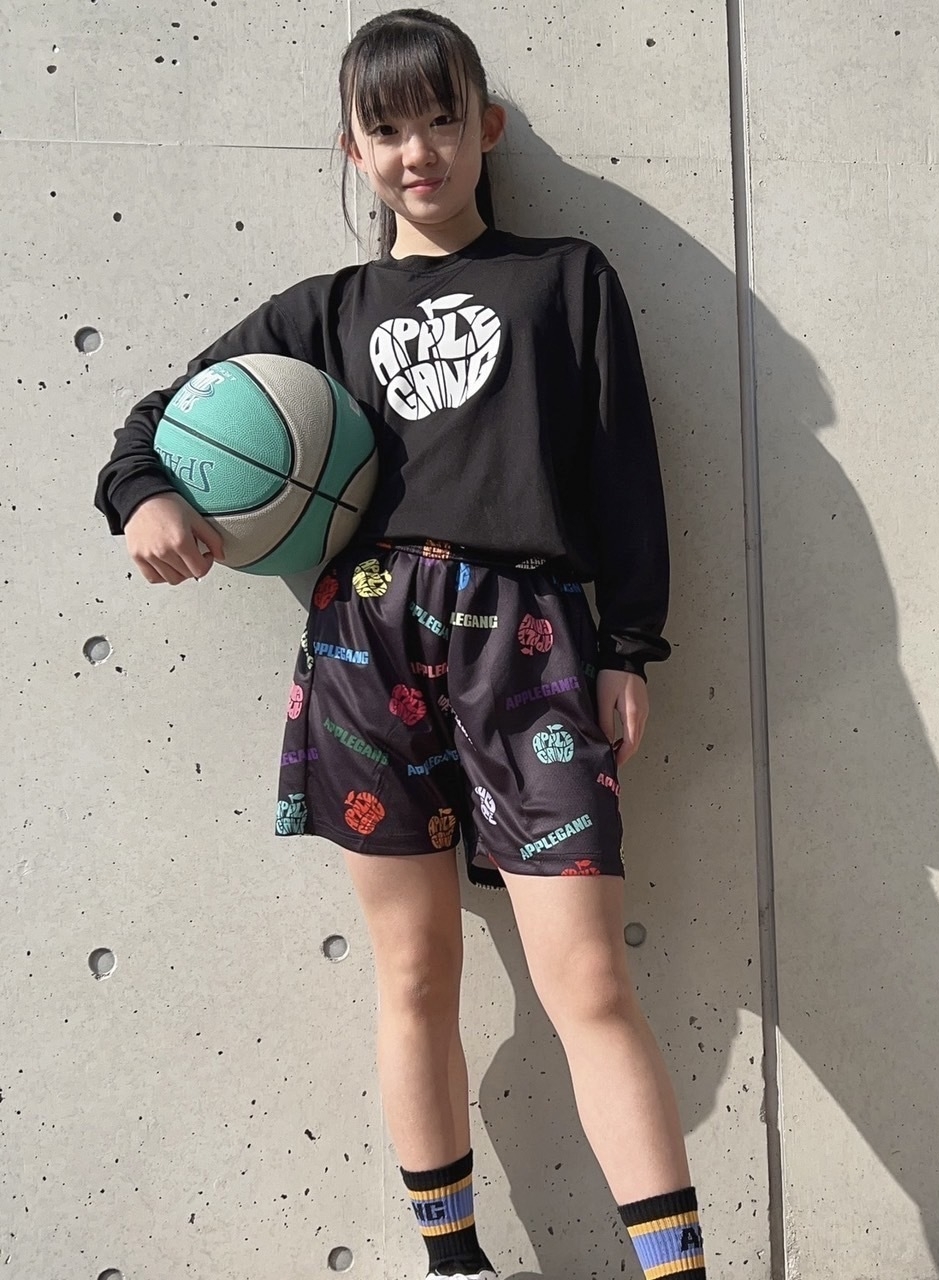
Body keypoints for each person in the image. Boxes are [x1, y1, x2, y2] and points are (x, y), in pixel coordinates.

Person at [92, 10, 707, 1280]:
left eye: (440, 118)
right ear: (353, 150)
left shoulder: (565, 279)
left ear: (486, 128)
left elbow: (623, 470)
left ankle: (678, 1272)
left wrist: (627, 644)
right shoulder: (322, 314)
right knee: (416, 970)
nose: (416, 148)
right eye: (386, 128)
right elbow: (150, 423)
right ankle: (453, 1264)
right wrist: (143, 496)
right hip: (365, 642)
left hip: (526, 642)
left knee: (588, 978)